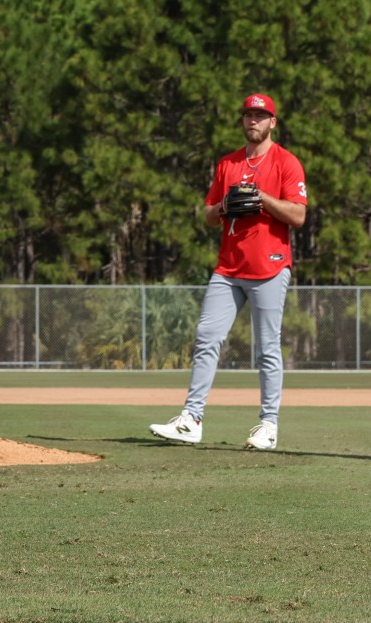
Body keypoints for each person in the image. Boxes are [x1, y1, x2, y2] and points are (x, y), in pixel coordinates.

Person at [148, 93, 308, 450]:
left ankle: (268, 424)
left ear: (273, 122)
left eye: (261, 115)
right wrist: (223, 206)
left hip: (269, 266)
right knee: (207, 337)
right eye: (249, 114)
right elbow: (206, 216)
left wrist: (263, 198)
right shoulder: (228, 165)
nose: (254, 120)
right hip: (228, 267)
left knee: (267, 348)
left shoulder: (286, 163)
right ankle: (192, 419)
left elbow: (298, 215)